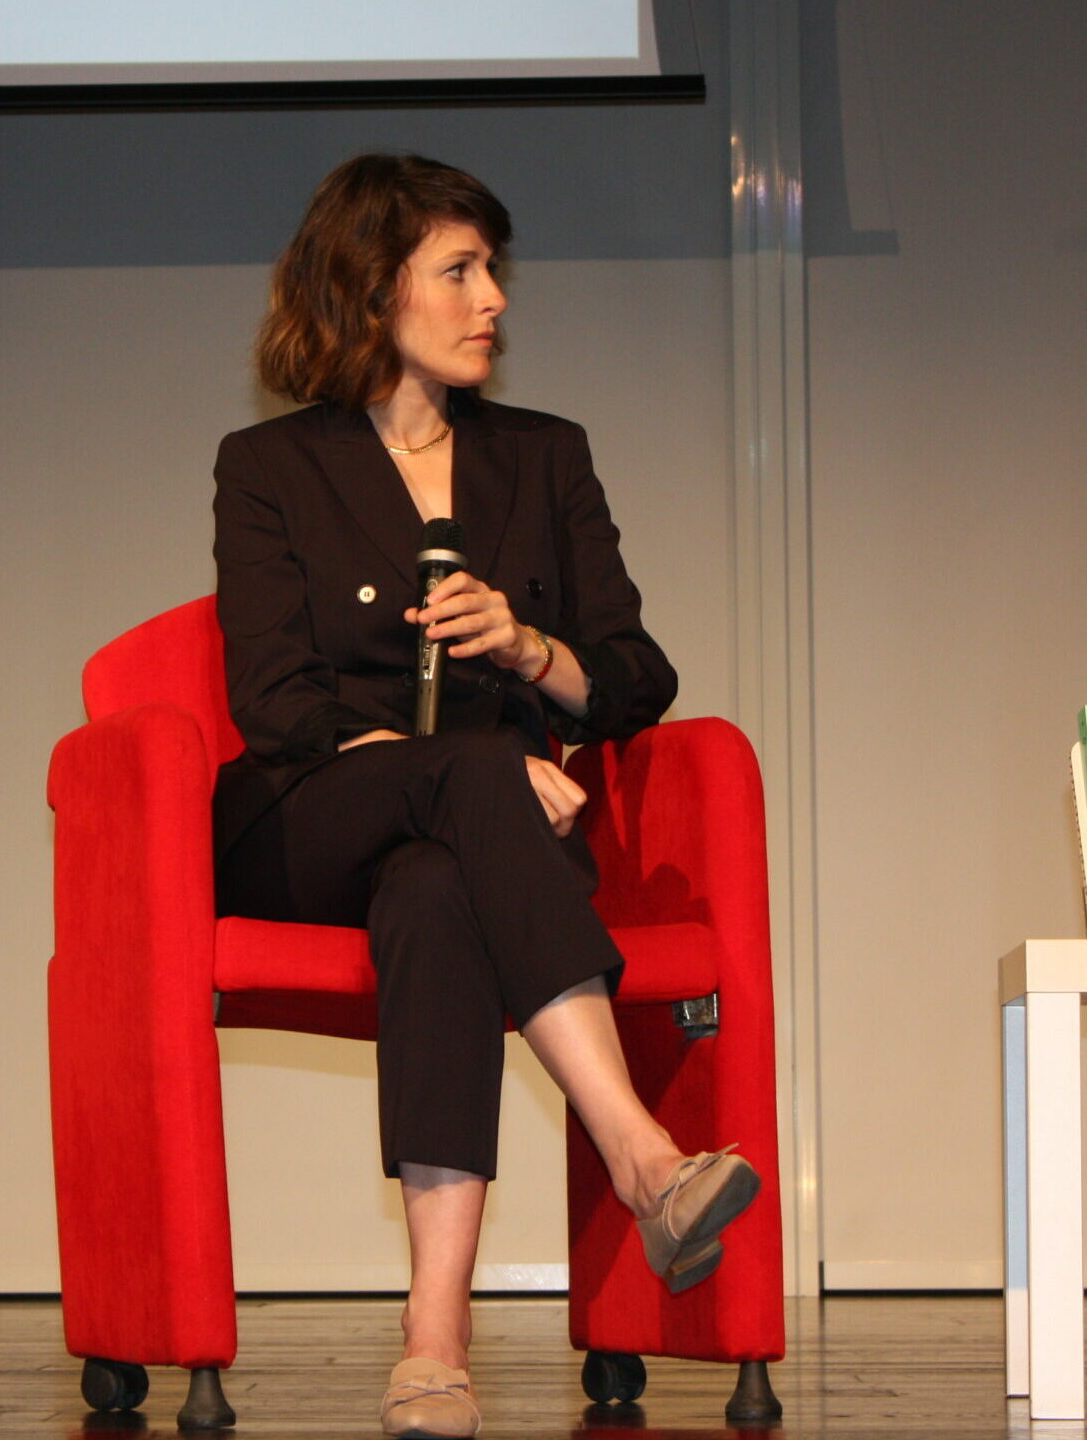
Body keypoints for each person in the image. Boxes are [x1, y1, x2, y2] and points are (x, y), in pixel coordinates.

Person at [209, 152, 762, 1438]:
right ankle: (642, 1155)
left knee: (434, 893)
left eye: (492, 270)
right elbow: (277, 707)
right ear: (370, 289)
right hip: (307, 821)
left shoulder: (544, 458)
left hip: (492, 842)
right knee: (460, 793)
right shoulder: (268, 465)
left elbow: (634, 677)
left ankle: (433, 1343)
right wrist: (469, 773)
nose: (493, 298)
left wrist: (525, 648)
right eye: (458, 271)